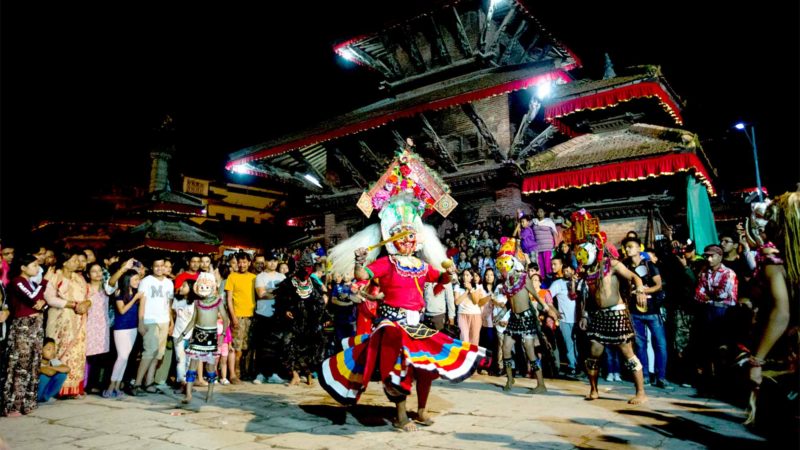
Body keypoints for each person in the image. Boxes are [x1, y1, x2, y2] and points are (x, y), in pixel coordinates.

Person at [321, 146, 484, 432]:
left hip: (417, 323)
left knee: (427, 366)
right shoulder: (387, 263)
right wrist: (360, 262)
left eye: (412, 237)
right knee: (399, 365)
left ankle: (421, 410)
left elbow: (441, 280)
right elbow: (363, 274)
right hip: (392, 323)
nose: (408, 241)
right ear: (394, 239)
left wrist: (450, 273)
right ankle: (400, 415)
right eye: (404, 237)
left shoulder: (421, 266)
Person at [571, 210, 649, 404]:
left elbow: (634, 276)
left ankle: (641, 393)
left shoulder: (612, 264)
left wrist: (639, 289)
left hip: (616, 314)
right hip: (597, 316)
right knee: (594, 353)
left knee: (627, 353)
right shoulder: (587, 272)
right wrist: (585, 316)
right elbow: (586, 298)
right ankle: (594, 390)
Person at [495, 238, 556, 393]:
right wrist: (500, 314)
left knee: (529, 350)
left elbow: (535, 295)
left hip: (527, 317)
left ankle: (541, 384)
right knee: (506, 347)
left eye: (504, 263)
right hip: (514, 319)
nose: (502, 267)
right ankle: (510, 379)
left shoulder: (523, 278)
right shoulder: (506, 283)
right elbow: (510, 303)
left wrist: (546, 308)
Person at [3, 253, 49, 416]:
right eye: (34, 265)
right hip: (23, 326)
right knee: (20, 364)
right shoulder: (18, 282)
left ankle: (27, 401)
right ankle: (13, 404)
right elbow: (33, 298)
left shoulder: (31, 283)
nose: (38, 268)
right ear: (23, 267)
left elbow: (41, 305)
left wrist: (40, 302)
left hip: (36, 325)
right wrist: (43, 283)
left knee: (33, 362)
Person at [180, 273, 230, 403]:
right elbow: (193, 320)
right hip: (197, 335)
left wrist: (223, 335)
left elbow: (226, 319)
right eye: (201, 287)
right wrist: (183, 334)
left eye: (206, 287)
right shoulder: (197, 302)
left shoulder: (218, 301)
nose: (204, 289)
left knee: (210, 367)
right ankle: (188, 395)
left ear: (213, 287)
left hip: (211, 336)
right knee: (192, 365)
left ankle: (210, 393)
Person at [37, 338, 70, 404]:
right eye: (48, 349)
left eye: (53, 349)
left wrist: (51, 367)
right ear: (40, 350)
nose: (52, 352)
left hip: (45, 395)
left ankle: (47, 397)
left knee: (62, 375)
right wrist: (56, 369)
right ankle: (40, 398)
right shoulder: (37, 362)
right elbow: (49, 373)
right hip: (37, 394)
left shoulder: (53, 361)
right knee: (44, 377)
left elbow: (67, 369)